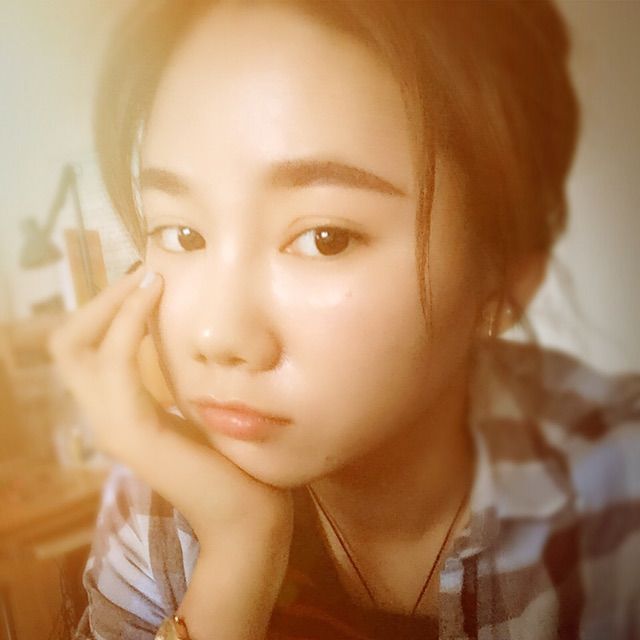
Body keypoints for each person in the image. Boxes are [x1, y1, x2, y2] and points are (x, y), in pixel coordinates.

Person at [49, 1, 640, 638]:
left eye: (325, 238)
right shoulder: (167, 493)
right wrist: (239, 545)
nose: (217, 338)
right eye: (182, 233)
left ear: (502, 281)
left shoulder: (614, 501)